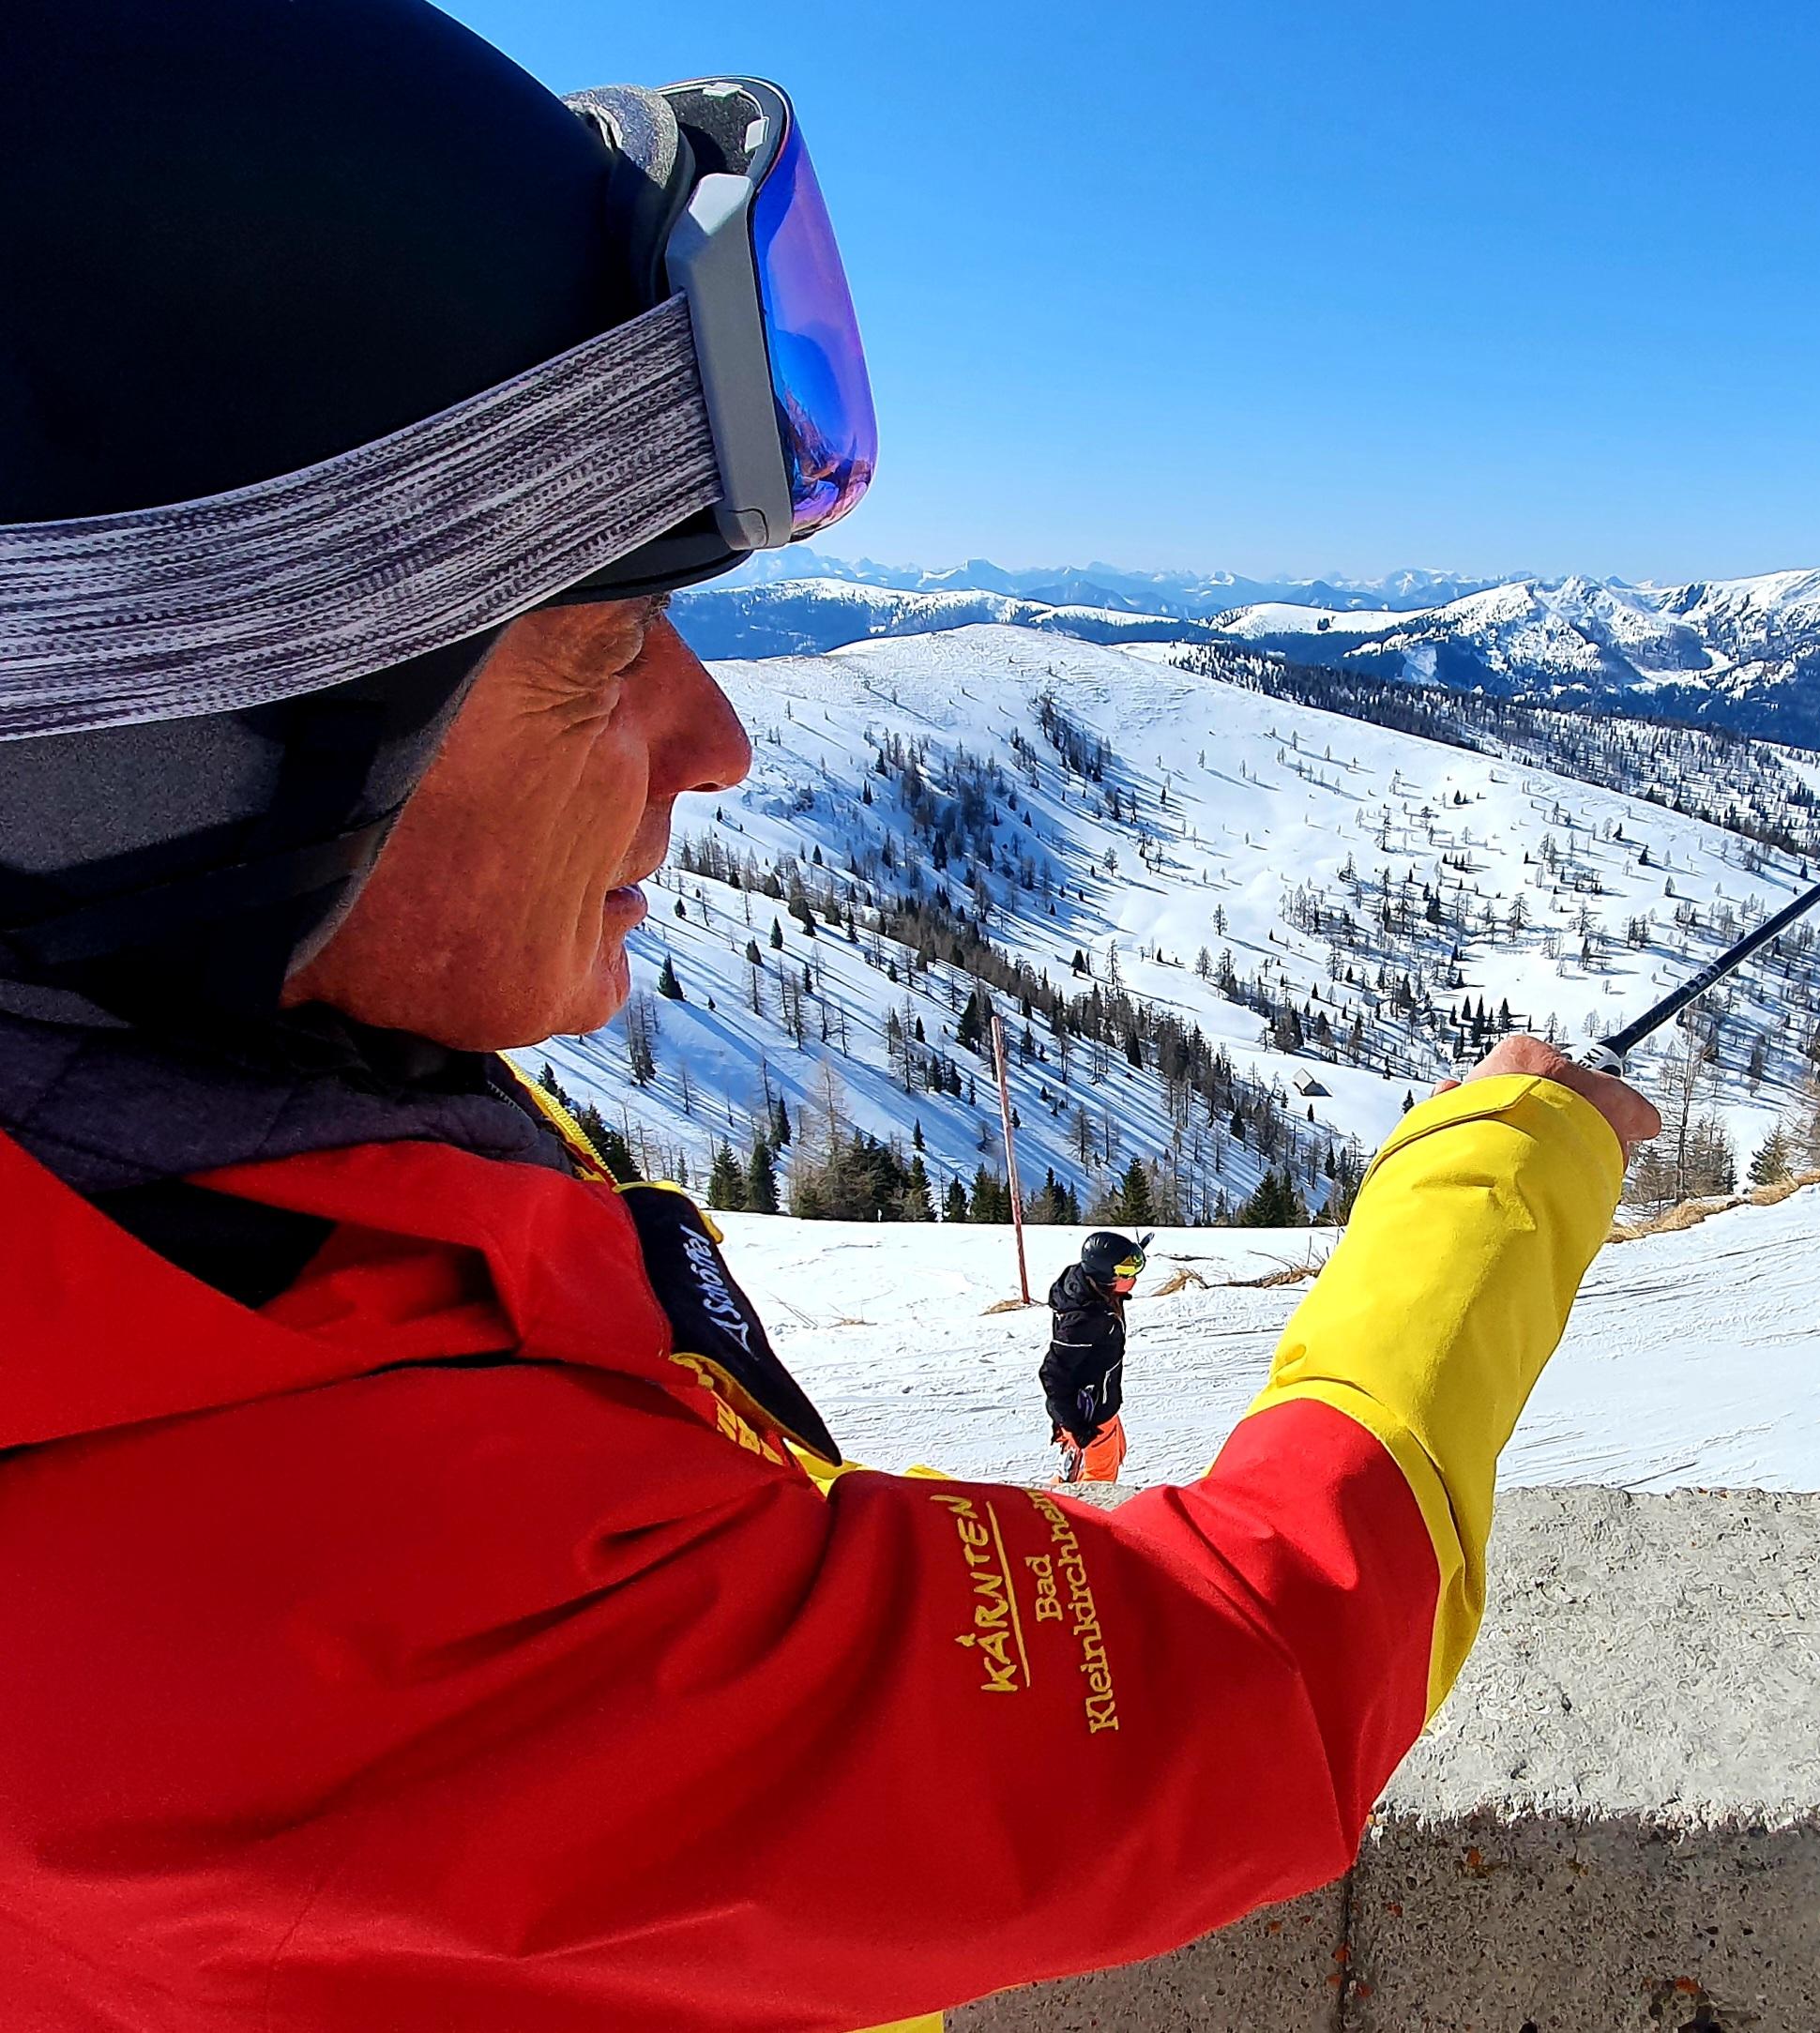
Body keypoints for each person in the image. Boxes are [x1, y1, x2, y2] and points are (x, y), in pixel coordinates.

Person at [0, 10, 1663, 2028]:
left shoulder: (187, 1195)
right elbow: (1236, 1682)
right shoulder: (326, 1585)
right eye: (603, 645)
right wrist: (1497, 1173)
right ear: (182, 765)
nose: (714, 738)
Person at [1045, 1230, 1148, 1481]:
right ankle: (1068, 1504)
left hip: (1101, 1401)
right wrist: (1073, 1425)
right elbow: (1052, 1373)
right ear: (1104, 1277)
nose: (1133, 1277)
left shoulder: (1094, 1289)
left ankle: (1064, 1488)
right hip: (1089, 1415)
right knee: (1098, 1480)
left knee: (1114, 1453)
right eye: (1126, 1271)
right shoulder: (1084, 1321)